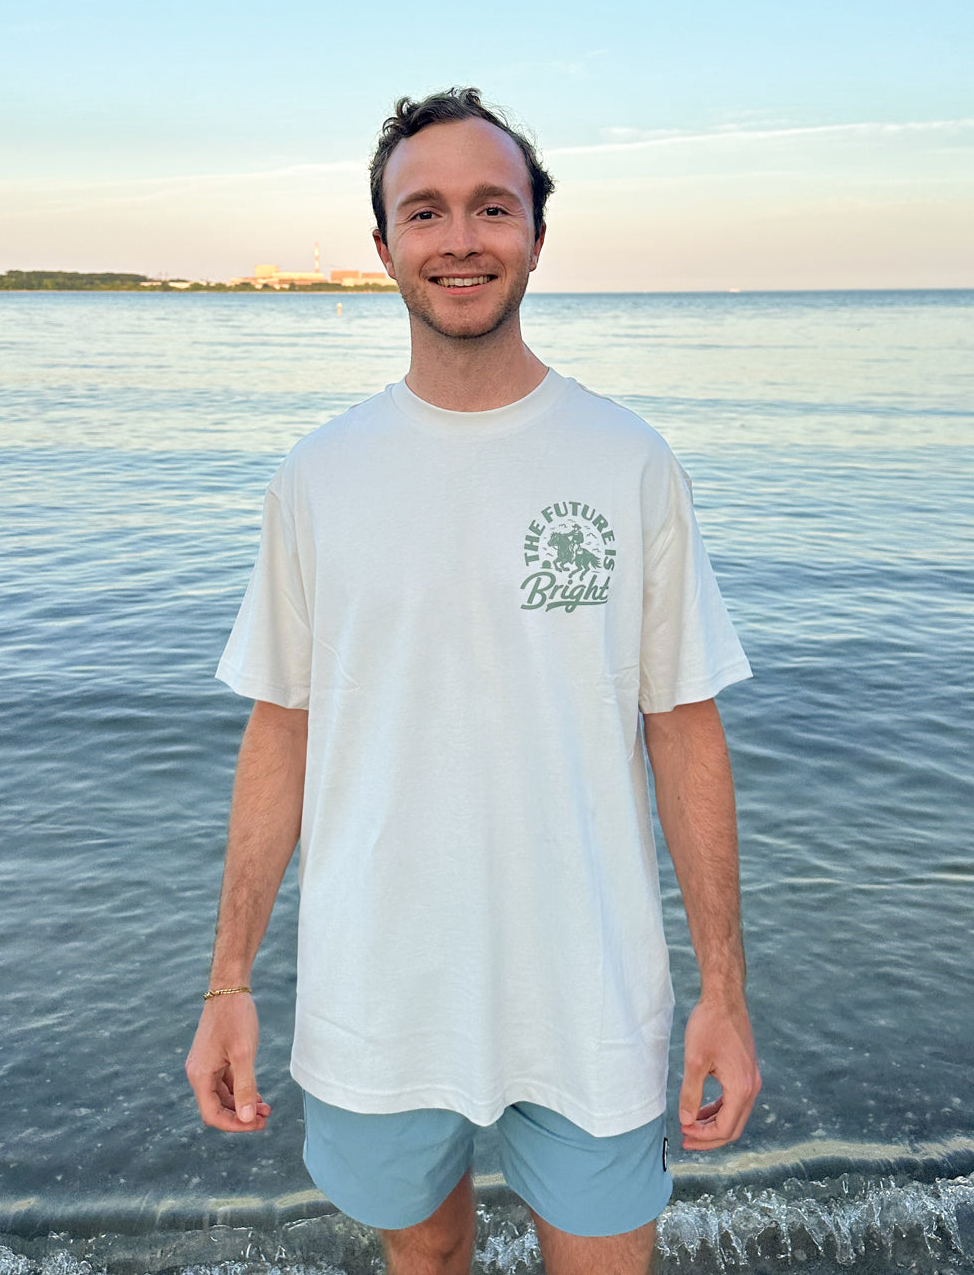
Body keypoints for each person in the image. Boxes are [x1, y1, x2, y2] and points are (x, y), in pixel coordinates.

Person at [186, 87, 761, 1275]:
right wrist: (228, 981)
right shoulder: (319, 477)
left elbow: (684, 728)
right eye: (426, 211)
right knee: (426, 1259)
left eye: (491, 208)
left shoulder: (627, 460)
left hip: (590, 992)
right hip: (376, 996)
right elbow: (282, 729)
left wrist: (725, 994)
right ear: (384, 244)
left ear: (537, 235)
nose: (460, 238)